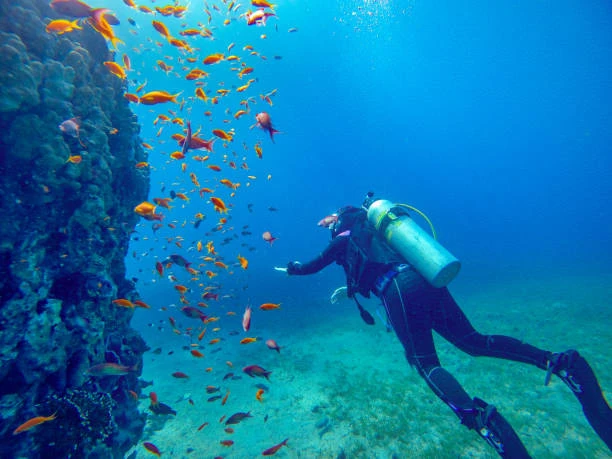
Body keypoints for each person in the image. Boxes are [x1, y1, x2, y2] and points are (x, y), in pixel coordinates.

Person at [284, 194, 612, 458]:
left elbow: (313, 265)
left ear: (340, 222)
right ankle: (557, 362)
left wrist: (292, 268)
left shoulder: (343, 238)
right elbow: (374, 265)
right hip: (425, 280)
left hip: (397, 290)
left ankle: (481, 420)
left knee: (426, 364)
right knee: (474, 341)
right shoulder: (380, 234)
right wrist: (349, 288)